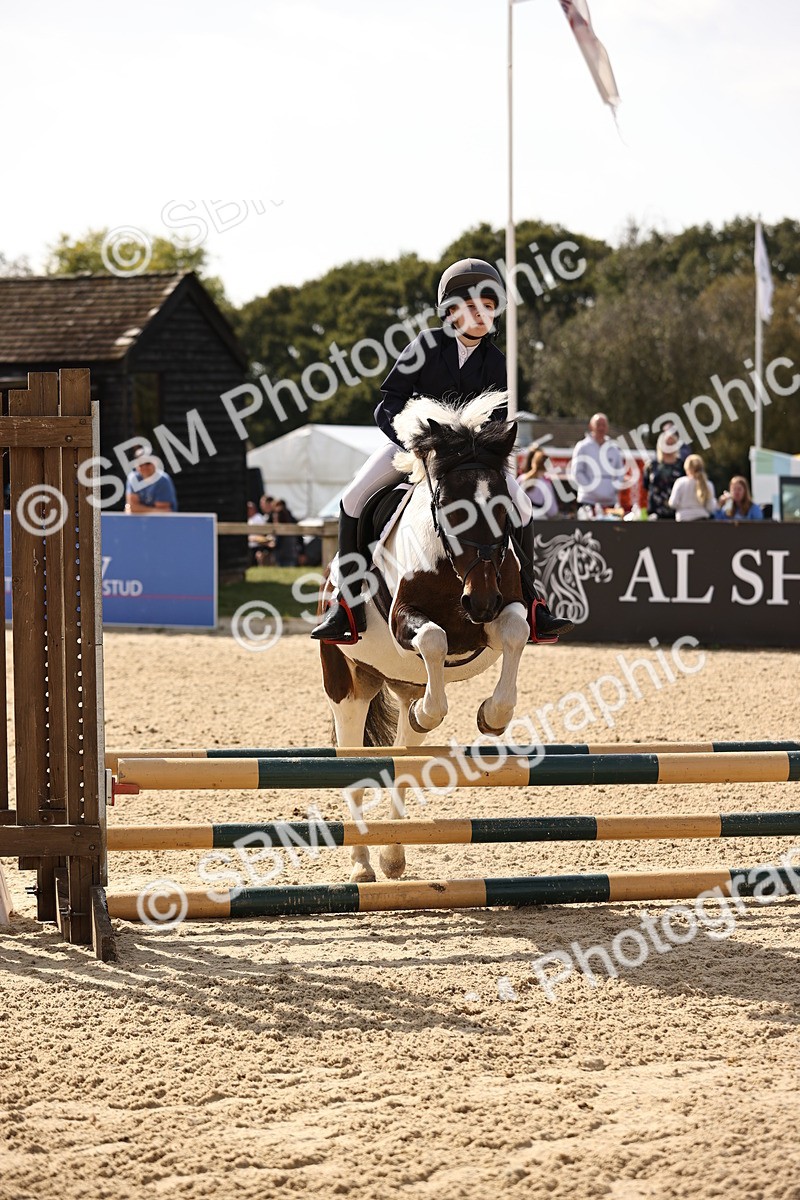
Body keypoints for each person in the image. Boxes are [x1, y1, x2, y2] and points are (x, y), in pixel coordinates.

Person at [310, 258, 573, 643]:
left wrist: (483, 456)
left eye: (489, 304)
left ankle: (533, 603)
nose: (481, 313)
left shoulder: (496, 362)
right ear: (450, 312)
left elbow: (496, 421)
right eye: (471, 305)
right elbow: (387, 405)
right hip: (414, 449)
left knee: (524, 505)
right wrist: (415, 447)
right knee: (352, 499)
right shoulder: (427, 346)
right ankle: (346, 606)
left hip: (471, 463)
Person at [569, 413, 626, 511]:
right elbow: (577, 472)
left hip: (610, 503)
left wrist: (612, 489)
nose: (601, 428)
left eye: (604, 425)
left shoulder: (614, 448)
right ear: (591, 426)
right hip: (588, 501)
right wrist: (591, 488)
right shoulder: (582, 446)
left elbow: (620, 472)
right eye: (598, 424)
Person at [124, 447, 178, 513]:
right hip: (139, 522)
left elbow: (164, 511)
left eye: (147, 463)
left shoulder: (163, 480)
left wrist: (137, 509)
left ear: (155, 462)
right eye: (140, 464)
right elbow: (132, 507)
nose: (144, 467)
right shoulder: (133, 478)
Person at [643, 433, 684, 519]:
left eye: (671, 444)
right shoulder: (651, 465)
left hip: (677, 514)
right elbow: (645, 486)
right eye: (667, 444)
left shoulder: (682, 465)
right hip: (655, 513)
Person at [668, 454, 717, 521]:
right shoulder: (708, 484)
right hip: (702, 521)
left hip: (683, 520)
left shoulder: (680, 482)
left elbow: (673, 503)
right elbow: (710, 507)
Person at [517, 448, 559, 518]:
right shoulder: (546, 483)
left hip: (521, 516)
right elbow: (552, 510)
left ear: (533, 463)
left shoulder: (521, 478)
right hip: (538, 518)